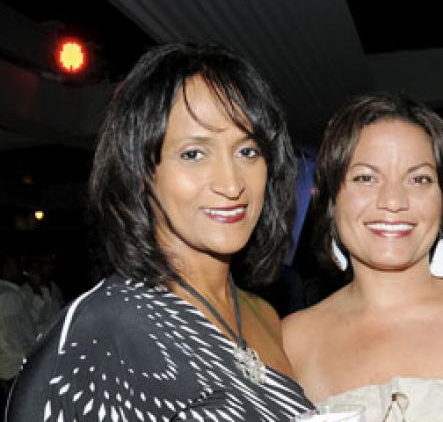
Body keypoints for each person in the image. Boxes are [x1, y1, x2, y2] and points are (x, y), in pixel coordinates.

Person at [7, 42, 313, 421]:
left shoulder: (265, 315)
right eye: (193, 154)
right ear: (140, 174)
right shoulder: (102, 334)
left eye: (247, 151)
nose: (232, 183)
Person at [282, 93, 443, 421]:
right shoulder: (289, 343)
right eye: (366, 178)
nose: (393, 201)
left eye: (419, 179)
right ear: (331, 200)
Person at [0, 251, 36, 419]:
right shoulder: (8, 295)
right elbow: (8, 337)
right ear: (5, 268)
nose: (20, 269)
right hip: (14, 369)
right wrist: (26, 361)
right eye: (15, 265)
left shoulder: (10, 292)